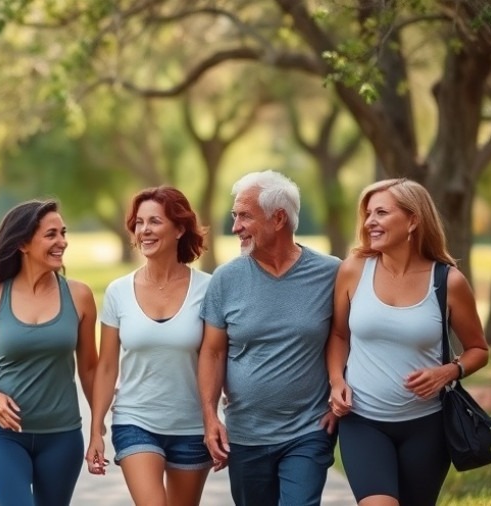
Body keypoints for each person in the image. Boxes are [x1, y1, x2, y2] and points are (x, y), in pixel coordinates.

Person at [326, 178, 488, 506]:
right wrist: (336, 381)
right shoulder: (354, 270)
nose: (370, 221)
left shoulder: (448, 281)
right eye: (368, 213)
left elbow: (479, 350)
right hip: (363, 421)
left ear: (413, 220)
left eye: (382, 212)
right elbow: (339, 334)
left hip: (427, 427)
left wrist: (449, 371)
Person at [197, 170, 341, 506]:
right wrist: (209, 417)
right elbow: (213, 353)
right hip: (245, 435)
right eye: (235, 216)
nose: (235, 228)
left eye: (244, 216)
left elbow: (346, 336)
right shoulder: (226, 279)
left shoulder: (331, 273)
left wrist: (338, 394)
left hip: (308, 431)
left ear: (278, 218)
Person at [0, 199, 99, 506]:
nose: (62, 242)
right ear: (23, 242)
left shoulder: (79, 295)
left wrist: (98, 430)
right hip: (3, 435)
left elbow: (89, 369)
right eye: (51, 234)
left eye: (63, 233)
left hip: (62, 436)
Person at [85, 186, 213, 505]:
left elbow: (217, 357)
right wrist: (96, 428)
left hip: (192, 425)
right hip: (135, 419)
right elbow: (107, 366)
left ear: (180, 228)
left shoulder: (209, 290)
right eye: (139, 222)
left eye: (154, 221)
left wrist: (215, 418)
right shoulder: (118, 292)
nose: (144, 230)